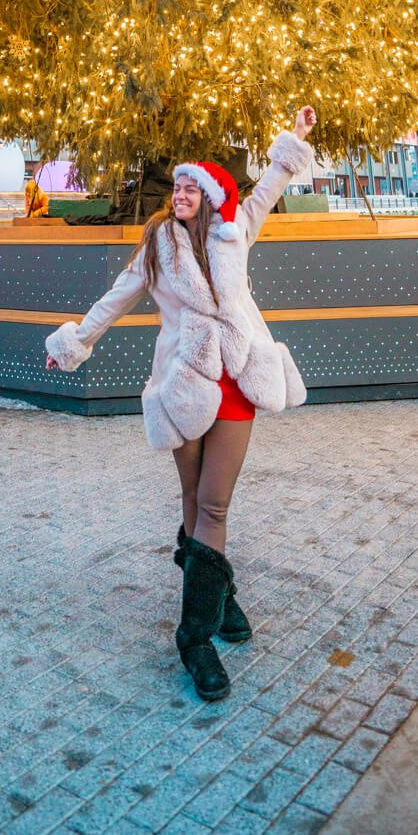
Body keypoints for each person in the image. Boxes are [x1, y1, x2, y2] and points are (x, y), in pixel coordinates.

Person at [45, 109, 317, 702]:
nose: (182, 194)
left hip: (237, 382)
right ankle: (220, 600)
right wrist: (74, 343)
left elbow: (271, 182)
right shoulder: (157, 244)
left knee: (214, 505)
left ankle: (194, 636)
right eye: (178, 187)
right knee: (196, 504)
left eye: (193, 187)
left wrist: (295, 138)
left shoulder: (236, 231)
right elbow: (116, 298)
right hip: (184, 384)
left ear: (213, 194)